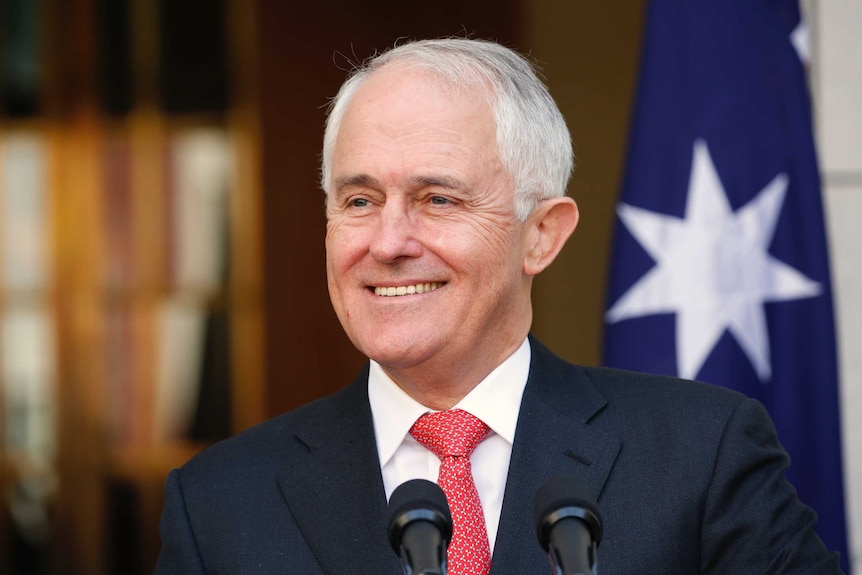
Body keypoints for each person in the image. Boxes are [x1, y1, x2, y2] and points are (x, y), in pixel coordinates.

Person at [154, 38, 843, 574]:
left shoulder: (702, 456)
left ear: (541, 234)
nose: (389, 242)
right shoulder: (220, 503)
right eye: (359, 200)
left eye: (438, 199)